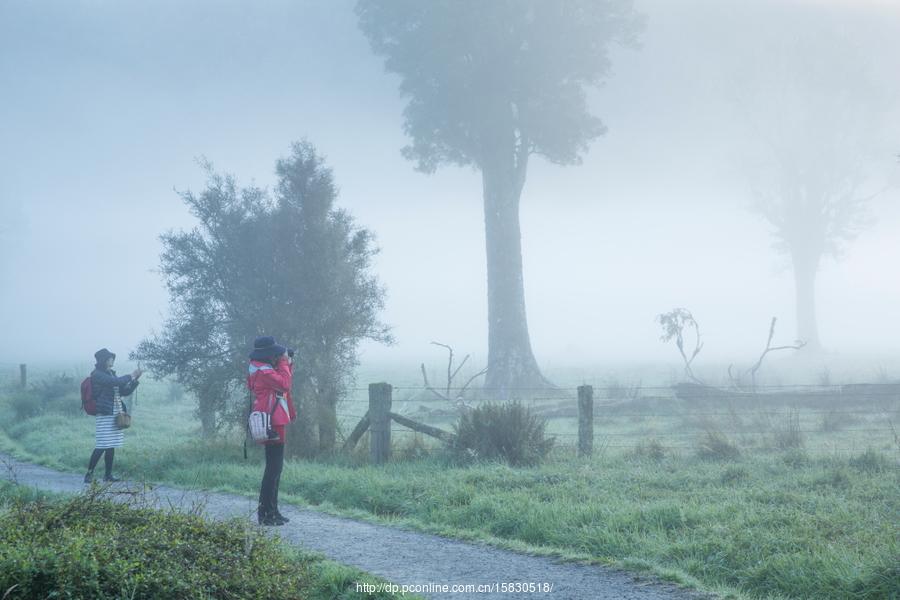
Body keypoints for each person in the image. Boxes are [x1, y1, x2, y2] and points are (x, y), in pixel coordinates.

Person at [248, 336, 296, 526]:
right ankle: (265, 514)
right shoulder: (263, 371)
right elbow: (285, 384)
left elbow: (284, 383)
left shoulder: (261, 368)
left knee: (276, 468)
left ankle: (273, 511)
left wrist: (286, 363)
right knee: (273, 469)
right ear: (268, 354)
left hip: (273, 416)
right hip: (271, 419)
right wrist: (284, 361)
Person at [84, 348, 141, 483]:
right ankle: (89, 474)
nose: (112, 360)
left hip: (114, 411)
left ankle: (108, 475)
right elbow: (114, 383)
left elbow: (123, 391)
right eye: (110, 358)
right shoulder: (97, 374)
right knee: (102, 444)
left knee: (111, 444)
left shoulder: (111, 373)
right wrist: (130, 375)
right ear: (103, 360)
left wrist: (135, 380)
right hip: (104, 411)